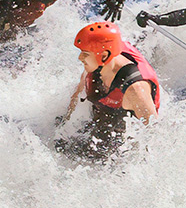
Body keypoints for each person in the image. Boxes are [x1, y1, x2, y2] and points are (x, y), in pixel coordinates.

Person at [56, 21, 160, 159]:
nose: (80, 58)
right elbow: (78, 92)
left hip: (126, 112)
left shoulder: (135, 90)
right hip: (111, 98)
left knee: (96, 154)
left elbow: (152, 132)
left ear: (104, 56)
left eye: (85, 54)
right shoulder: (98, 61)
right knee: (61, 142)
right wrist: (66, 120)